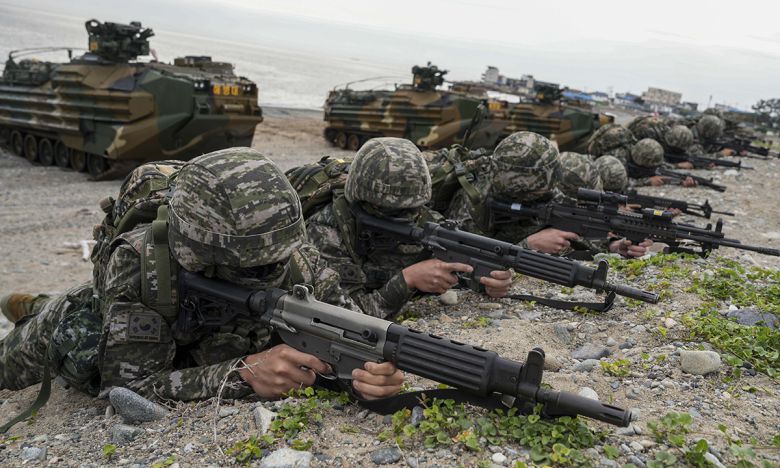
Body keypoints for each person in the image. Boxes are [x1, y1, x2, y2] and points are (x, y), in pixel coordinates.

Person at [0, 148, 403, 403]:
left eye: (275, 260)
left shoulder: (297, 257)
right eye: (248, 266)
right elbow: (125, 389)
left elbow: (349, 328)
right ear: (198, 254)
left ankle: (32, 302)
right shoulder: (141, 264)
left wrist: (365, 377)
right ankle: (36, 308)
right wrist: (241, 374)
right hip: (84, 319)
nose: (269, 273)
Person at [305, 137, 513, 320]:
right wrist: (408, 280)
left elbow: (456, 268)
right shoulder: (327, 231)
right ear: (362, 201)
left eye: (413, 208)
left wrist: (485, 281)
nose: (406, 218)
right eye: (391, 211)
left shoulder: (422, 220)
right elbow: (346, 316)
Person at [446, 131, 651, 258]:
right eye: (539, 192)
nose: (551, 193)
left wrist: (613, 246)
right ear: (519, 191)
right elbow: (462, 259)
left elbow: (572, 225)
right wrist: (527, 246)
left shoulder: (541, 189)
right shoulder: (473, 202)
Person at [627, 138, 697, 188]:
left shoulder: (640, 156)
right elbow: (622, 182)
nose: (653, 168)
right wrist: (647, 181)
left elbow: (659, 167)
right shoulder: (623, 159)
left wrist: (680, 180)